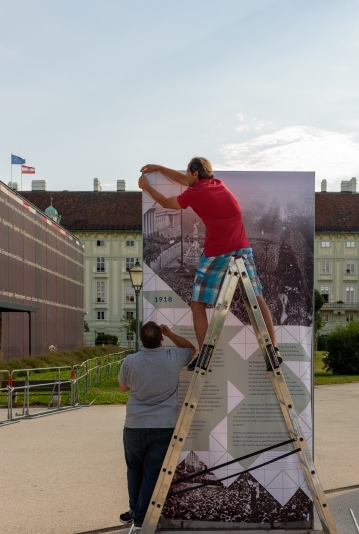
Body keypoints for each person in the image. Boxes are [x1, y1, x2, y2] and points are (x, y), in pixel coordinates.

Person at [138, 158, 280, 369]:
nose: (185, 176)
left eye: (188, 173)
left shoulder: (197, 193)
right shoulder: (217, 184)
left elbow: (168, 203)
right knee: (256, 297)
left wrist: (146, 187)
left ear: (195, 174)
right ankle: (274, 349)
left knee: (198, 303)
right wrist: (159, 168)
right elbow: (181, 178)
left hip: (218, 252)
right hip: (242, 248)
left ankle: (205, 354)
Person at [119, 321, 196, 530]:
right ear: (161, 338)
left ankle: (135, 511)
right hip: (163, 425)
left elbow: (123, 388)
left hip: (134, 424)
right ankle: (140, 517)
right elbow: (191, 349)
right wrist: (170, 333)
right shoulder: (173, 357)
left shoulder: (130, 360)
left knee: (134, 469)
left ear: (141, 340)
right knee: (152, 472)